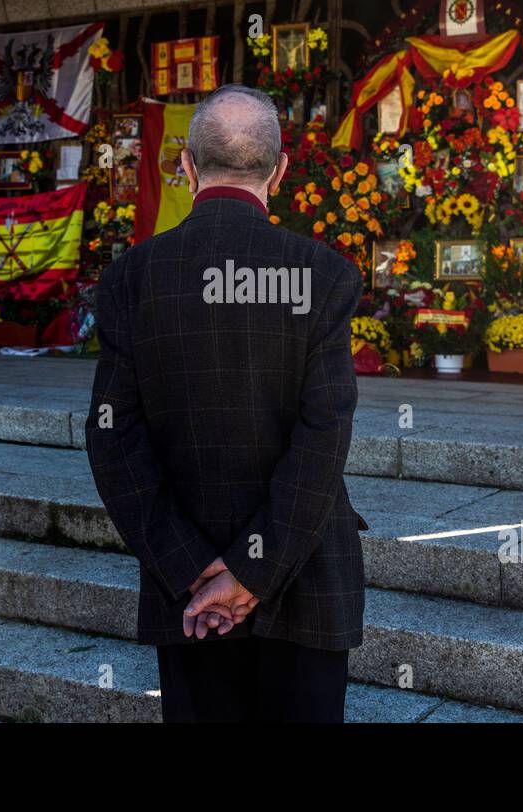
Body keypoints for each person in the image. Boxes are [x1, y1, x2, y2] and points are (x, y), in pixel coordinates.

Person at [85, 84, 366, 723]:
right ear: (280, 171)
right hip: (303, 573)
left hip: (187, 585)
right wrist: (251, 571)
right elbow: (324, 435)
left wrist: (198, 568)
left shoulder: (131, 275)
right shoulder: (323, 273)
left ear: (185, 167)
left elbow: (111, 435)